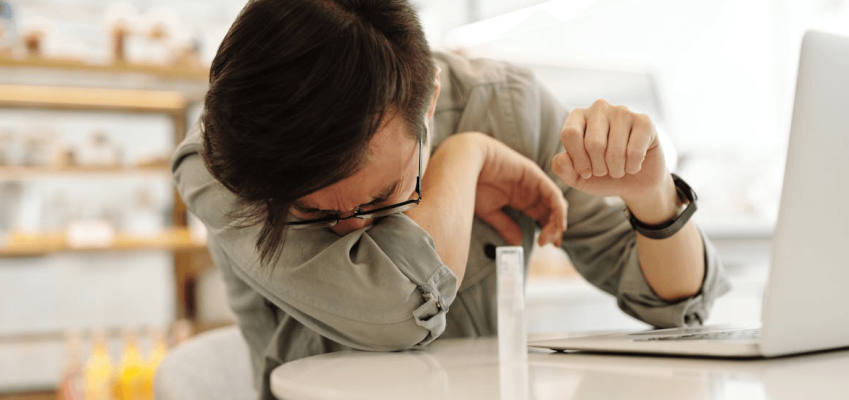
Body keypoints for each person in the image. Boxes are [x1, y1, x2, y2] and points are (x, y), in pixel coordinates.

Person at [172, 0, 730, 398]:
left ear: (430, 101)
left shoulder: (506, 107)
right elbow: (396, 313)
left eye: (384, 198)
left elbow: (676, 307)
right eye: (314, 214)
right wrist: (465, 161)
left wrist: (651, 192)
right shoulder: (219, 164)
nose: (349, 230)